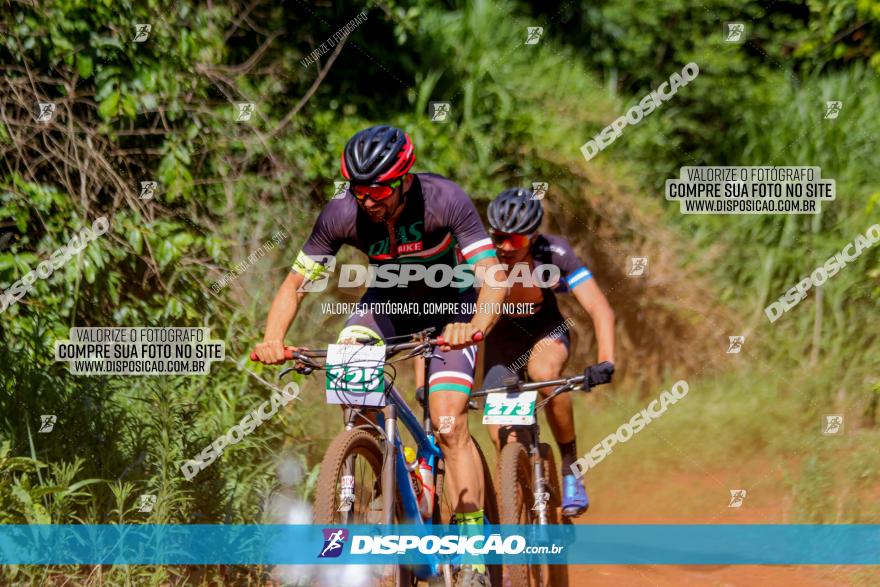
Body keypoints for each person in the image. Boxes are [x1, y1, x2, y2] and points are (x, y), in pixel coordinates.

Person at [253, 125, 507, 584]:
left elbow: (492, 277)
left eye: (377, 190)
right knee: (351, 382)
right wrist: (273, 337)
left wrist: (474, 327)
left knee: (448, 420)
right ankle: (375, 462)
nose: (367, 200)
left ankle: (472, 558)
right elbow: (295, 284)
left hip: (453, 306)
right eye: (358, 189)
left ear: (405, 179)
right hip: (388, 306)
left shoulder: (445, 200)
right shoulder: (341, 215)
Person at [482, 188, 615, 518]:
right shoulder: (481, 256)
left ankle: (570, 468)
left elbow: (599, 307)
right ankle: (519, 504)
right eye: (499, 237)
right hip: (501, 338)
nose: (505, 247)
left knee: (544, 375)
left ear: (534, 235)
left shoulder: (554, 252)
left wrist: (606, 360)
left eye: (515, 240)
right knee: (501, 435)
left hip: (545, 329)